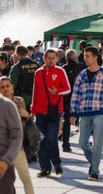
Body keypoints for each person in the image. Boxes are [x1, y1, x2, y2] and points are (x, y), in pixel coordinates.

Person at [70, 47, 103, 181]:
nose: (84, 58)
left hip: (99, 112)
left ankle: (94, 172)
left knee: (97, 144)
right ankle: (94, 163)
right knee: (83, 143)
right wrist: (73, 113)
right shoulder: (82, 75)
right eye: (84, 56)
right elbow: (76, 94)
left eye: (87, 56)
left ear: (95, 57)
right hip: (84, 112)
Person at [31, 49, 71, 178]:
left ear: (57, 59)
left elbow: (68, 89)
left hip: (54, 111)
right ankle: (45, 168)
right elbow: (35, 92)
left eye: (53, 58)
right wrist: (33, 110)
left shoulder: (60, 71)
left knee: (52, 138)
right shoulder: (38, 72)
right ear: (44, 58)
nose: (51, 60)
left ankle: (57, 163)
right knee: (41, 140)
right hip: (40, 112)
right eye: (48, 58)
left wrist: (57, 91)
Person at [0, 77, 35, 194]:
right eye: (2, 87)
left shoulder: (19, 101)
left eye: (7, 86)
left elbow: (25, 122)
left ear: (12, 87)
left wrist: (27, 115)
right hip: (1, 148)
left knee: (26, 178)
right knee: (6, 181)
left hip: (17, 147)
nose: (5, 89)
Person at [61, 49, 82, 152]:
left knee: (67, 122)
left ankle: (65, 144)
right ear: (74, 57)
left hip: (67, 97)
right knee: (82, 120)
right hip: (79, 97)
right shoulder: (81, 67)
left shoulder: (63, 69)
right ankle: (84, 141)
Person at [9, 45, 40, 111]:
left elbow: (12, 84)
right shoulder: (36, 65)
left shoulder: (16, 67)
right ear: (26, 53)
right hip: (37, 96)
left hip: (22, 97)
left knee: (22, 118)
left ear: (16, 53)